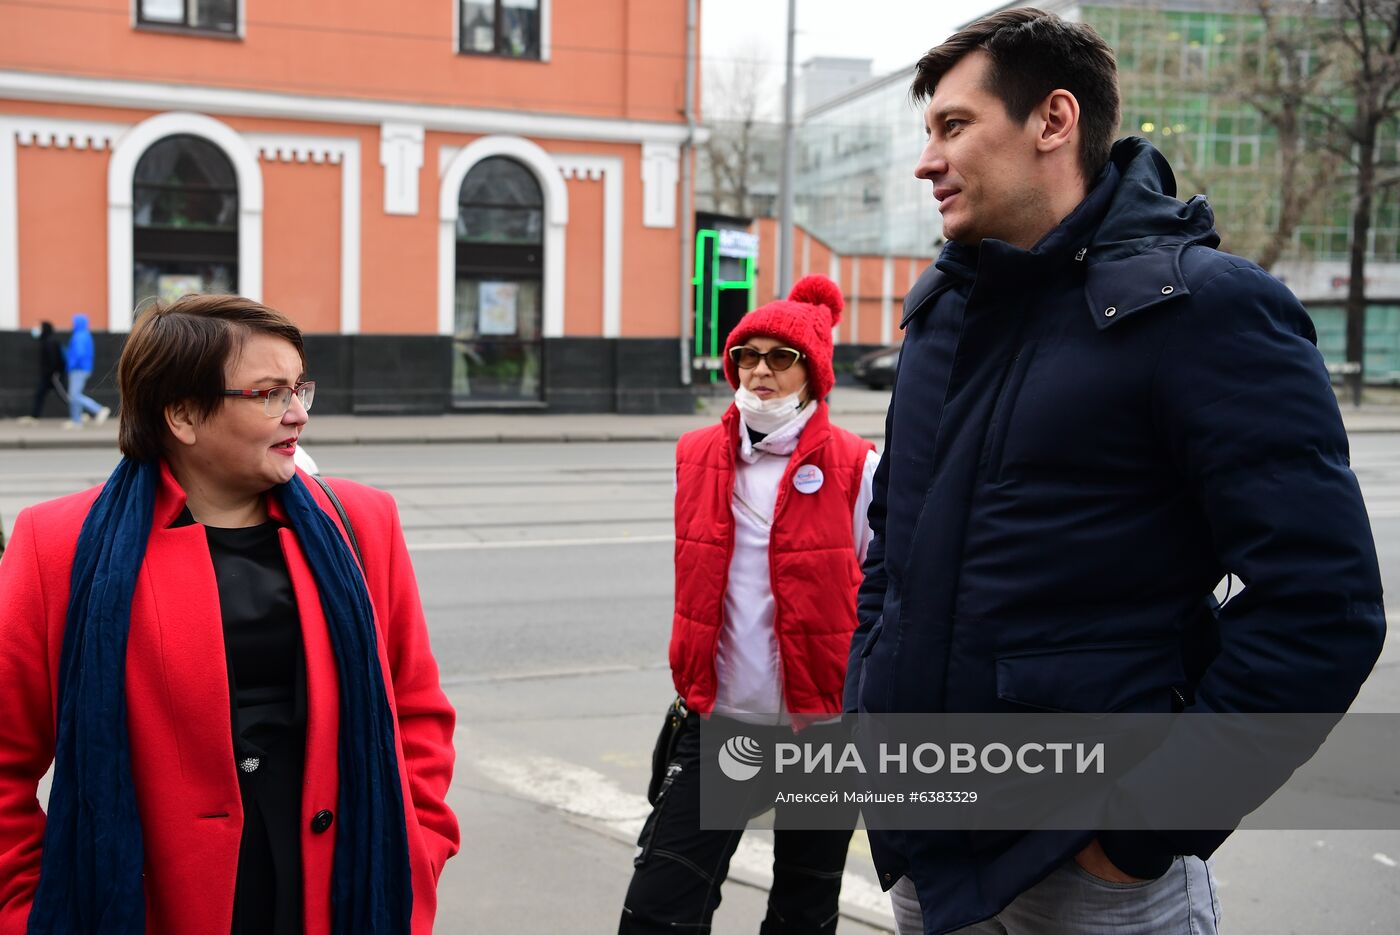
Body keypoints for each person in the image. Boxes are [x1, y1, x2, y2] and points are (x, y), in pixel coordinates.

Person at [844, 9, 1385, 935]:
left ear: (1053, 121)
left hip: (1092, 878)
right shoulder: (942, 312)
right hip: (927, 853)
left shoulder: (1202, 310)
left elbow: (1320, 607)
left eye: (954, 127)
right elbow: (891, 556)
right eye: (926, 131)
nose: (926, 161)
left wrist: (1139, 832)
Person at [0, 295, 459, 934]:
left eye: (301, 388)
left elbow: (416, 709)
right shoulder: (58, 544)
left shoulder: (360, 523)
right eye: (270, 393)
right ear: (183, 414)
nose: (298, 413)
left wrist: (418, 850)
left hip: (336, 893)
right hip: (148, 906)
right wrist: (26, 909)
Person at [620, 276, 880, 934]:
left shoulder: (857, 466)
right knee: (659, 907)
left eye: (780, 356)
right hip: (719, 722)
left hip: (821, 730)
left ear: (813, 372)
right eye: (747, 354)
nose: (760, 368)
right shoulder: (696, 456)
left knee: (803, 911)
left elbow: (883, 593)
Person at [62, 312, 110, 429]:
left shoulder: (79, 336)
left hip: (78, 369)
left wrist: (70, 363)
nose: (72, 325)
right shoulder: (85, 334)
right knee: (75, 394)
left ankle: (98, 409)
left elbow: (79, 353)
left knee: (74, 395)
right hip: (83, 368)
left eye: (73, 322)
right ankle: (76, 421)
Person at [16, 321, 65, 424]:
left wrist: (51, 372)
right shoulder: (46, 340)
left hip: (53, 375)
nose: (38, 329)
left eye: (40, 328)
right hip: (49, 375)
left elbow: (53, 360)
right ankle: (34, 417)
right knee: (39, 395)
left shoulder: (50, 342)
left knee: (65, 395)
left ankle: (81, 413)